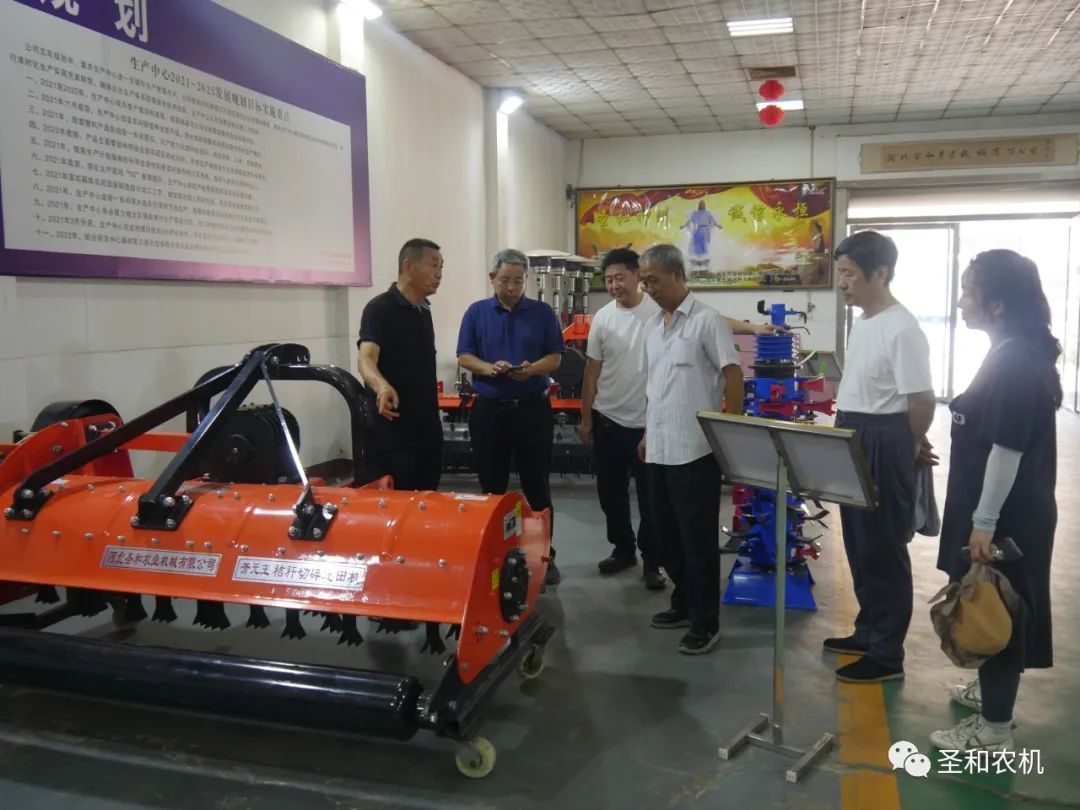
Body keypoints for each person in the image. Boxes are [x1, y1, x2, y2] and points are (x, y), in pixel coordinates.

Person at [581, 247, 785, 587]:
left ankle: (666, 576)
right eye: (609, 280)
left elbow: (726, 356)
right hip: (629, 429)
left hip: (676, 438)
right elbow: (618, 378)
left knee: (676, 521)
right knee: (636, 509)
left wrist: (730, 434)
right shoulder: (628, 322)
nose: (617, 285)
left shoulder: (683, 315)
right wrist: (595, 419)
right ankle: (638, 562)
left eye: (625, 278)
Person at [929, 250, 1060, 752]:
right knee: (987, 601)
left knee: (998, 607)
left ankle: (994, 731)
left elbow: (1007, 451)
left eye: (969, 291)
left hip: (1007, 516)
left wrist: (984, 522)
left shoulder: (1014, 362)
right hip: (996, 508)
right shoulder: (1008, 352)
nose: (961, 301)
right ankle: (990, 697)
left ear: (998, 304)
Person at [823, 230, 937, 683]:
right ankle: (868, 630)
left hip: (883, 438)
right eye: (840, 274)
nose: (842, 283)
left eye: (849, 274)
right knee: (858, 540)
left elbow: (921, 400)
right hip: (854, 431)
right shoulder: (865, 321)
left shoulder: (902, 328)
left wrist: (910, 442)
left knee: (884, 545)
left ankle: (888, 654)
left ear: (880, 273)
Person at [636, 244, 743, 655]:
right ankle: (682, 602)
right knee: (663, 537)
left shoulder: (707, 321)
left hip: (695, 451)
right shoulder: (653, 328)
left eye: (654, 281)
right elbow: (655, 389)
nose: (649, 289)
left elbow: (733, 376)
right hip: (659, 448)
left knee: (697, 542)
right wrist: (647, 433)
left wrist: (730, 434)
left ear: (678, 275)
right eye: (644, 282)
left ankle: (705, 622)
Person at [457, 249, 565, 586]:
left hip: (533, 409)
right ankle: (494, 553)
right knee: (491, 486)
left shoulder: (542, 313)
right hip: (490, 411)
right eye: (505, 280)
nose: (512, 287)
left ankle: (546, 555)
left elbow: (556, 357)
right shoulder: (476, 312)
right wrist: (489, 368)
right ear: (492, 279)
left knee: (537, 485)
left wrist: (531, 369)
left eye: (518, 281)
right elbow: (464, 356)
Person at [357, 238, 444, 491]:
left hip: (427, 431)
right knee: (398, 505)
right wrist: (381, 386)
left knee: (428, 501)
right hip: (394, 433)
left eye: (441, 267)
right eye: (433, 265)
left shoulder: (423, 310)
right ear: (408, 266)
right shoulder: (379, 309)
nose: (439, 274)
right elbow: (366, 358)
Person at [680, 200, 721, 265]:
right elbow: (690, 220)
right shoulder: (695, 213)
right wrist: (684, 226)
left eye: (703, 204)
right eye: (701, 204)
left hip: (705, 230)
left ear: (704, 206)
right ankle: (697, 259)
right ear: (699, 205)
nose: (702, 205)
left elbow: (713, 221)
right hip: (698, 230)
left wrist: (718, 225)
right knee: (696, 244)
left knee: (704, 244)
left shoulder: (707, 213)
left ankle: (704, 259)